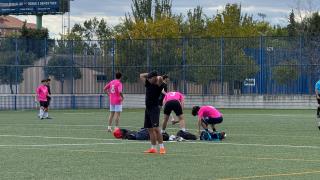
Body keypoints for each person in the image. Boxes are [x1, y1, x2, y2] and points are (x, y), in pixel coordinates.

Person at [140, 71, 166, 154]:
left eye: (151, 78)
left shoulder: (159, 85)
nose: (149, 79)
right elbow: (141, 75)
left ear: (155, 78)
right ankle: (153, 148)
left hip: (154, 109)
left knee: (156, 129)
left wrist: (156, 76)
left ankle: (162, 148)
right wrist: (150, 75)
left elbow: (161, 78)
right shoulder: (148, 83)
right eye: (149, 78)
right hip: (147, 109)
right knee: (150, 129)